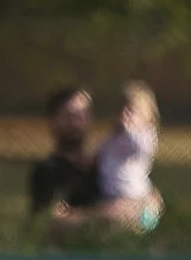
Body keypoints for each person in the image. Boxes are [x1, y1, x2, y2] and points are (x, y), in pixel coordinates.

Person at [91, 81, 164, 231]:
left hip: (133, 195)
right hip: (110, 194)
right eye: (122, 110)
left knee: (135, 226)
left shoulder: (144, 136)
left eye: (132, 111)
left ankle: (146, 228)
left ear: (148, 115)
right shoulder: (114, 137)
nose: (125, 115)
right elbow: (101, 154)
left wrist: (131, 130)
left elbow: (142, 150)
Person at [28, 86, 97, 217]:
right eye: (69, 116)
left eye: (82, 115)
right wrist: (109, 214)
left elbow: (146, 219)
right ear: (53, 121)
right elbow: (52, 220)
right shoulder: (47, 172)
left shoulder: (104, 167)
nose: (75, 123)